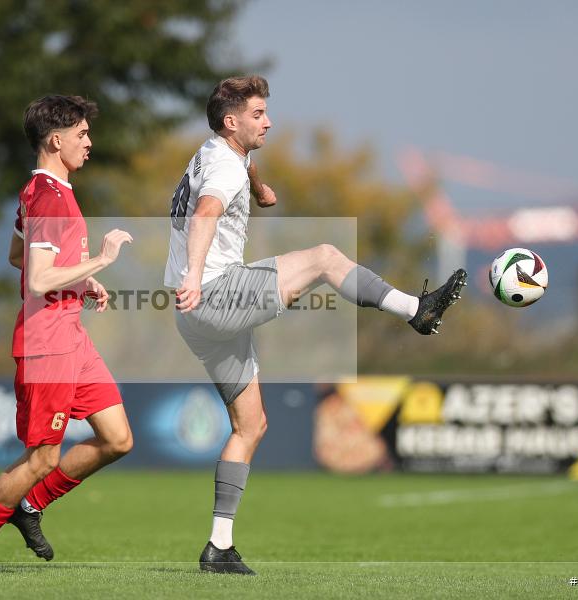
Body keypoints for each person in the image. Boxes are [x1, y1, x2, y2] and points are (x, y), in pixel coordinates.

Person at [164, 75, 468, 575]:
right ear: (231, 121)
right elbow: (206, 213)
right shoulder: (223, 166)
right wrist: (195, 277)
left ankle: (219, 547)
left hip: (193, 317)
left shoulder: (214, 151)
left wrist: (259, 187)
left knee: (251, 426)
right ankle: (417, 310)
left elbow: (238, 171)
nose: (269, 121)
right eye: (258, 113)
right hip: (213, 293)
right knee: (325, 258)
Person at [0, 95, 134, 572]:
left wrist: (81, 280)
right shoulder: (48, 196)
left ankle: (29, 505)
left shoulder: (44, 191)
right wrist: (101, 261)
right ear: (55, 140)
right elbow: (38, 278)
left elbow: (18, 256)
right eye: (81, 134)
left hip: (72, 338)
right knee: (42, 459)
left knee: (117, 439)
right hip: (47, 345)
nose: (89, 142)